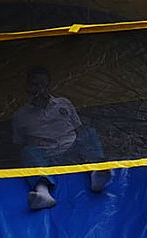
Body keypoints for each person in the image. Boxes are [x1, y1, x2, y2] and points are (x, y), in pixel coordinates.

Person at [11, 66, 110, 210]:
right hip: (46, 157)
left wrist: (84, 148)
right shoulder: (20, 116)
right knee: (27, 152)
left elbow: (79, 128)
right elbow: (18, 144)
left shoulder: (63, 103)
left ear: (49, 86)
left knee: (89, 133)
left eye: (43, 84)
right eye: (35, 84)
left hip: (72, 150)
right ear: (28, 88)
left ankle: (96, 174)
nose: (39, 89)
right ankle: (43, 193)